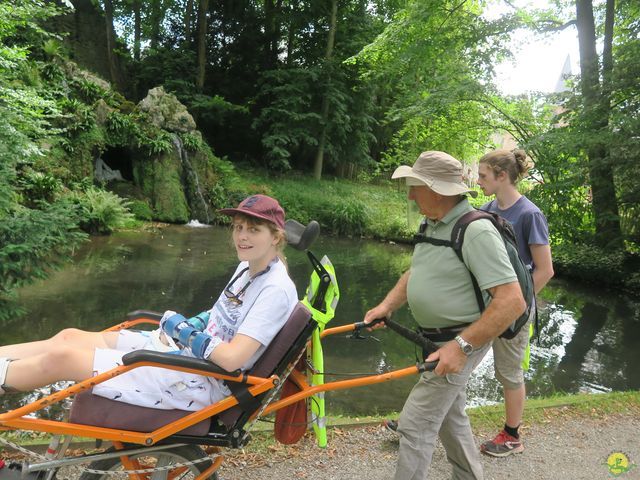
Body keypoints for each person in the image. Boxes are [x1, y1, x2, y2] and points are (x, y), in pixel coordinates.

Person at [0, 194, 298, 412]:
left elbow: (233, 359)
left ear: (276, 237)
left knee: (62, 358)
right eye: (237, 227)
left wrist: (183, 331)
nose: (241, 237)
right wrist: (190, 326)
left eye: (253, 230)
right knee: (69, 336)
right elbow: (221, 317)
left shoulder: (275, 290)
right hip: (181, 355)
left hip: (204, 380)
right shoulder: (249, 267)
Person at [365, 151, 526, 480]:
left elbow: (512, 302)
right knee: (451, 419)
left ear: (437, 190)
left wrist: (461, 347)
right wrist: (387, 306)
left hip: (460, 340)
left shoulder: (476, 231)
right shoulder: (434, 223)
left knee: (414, 426)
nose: (410, 194)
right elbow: (418, 271)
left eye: (415, 186)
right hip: (436, 340)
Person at [476, 149, 554, 457]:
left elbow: (545, 270)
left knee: (508, 372)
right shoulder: (486, 208)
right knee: (457, 356)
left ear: (501, 176)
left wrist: (514, 303)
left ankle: (511, 437)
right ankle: (422, 420)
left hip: (515, 311)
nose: (479, 181)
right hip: (486, 304)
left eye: (483, 176)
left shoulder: (529, 214)